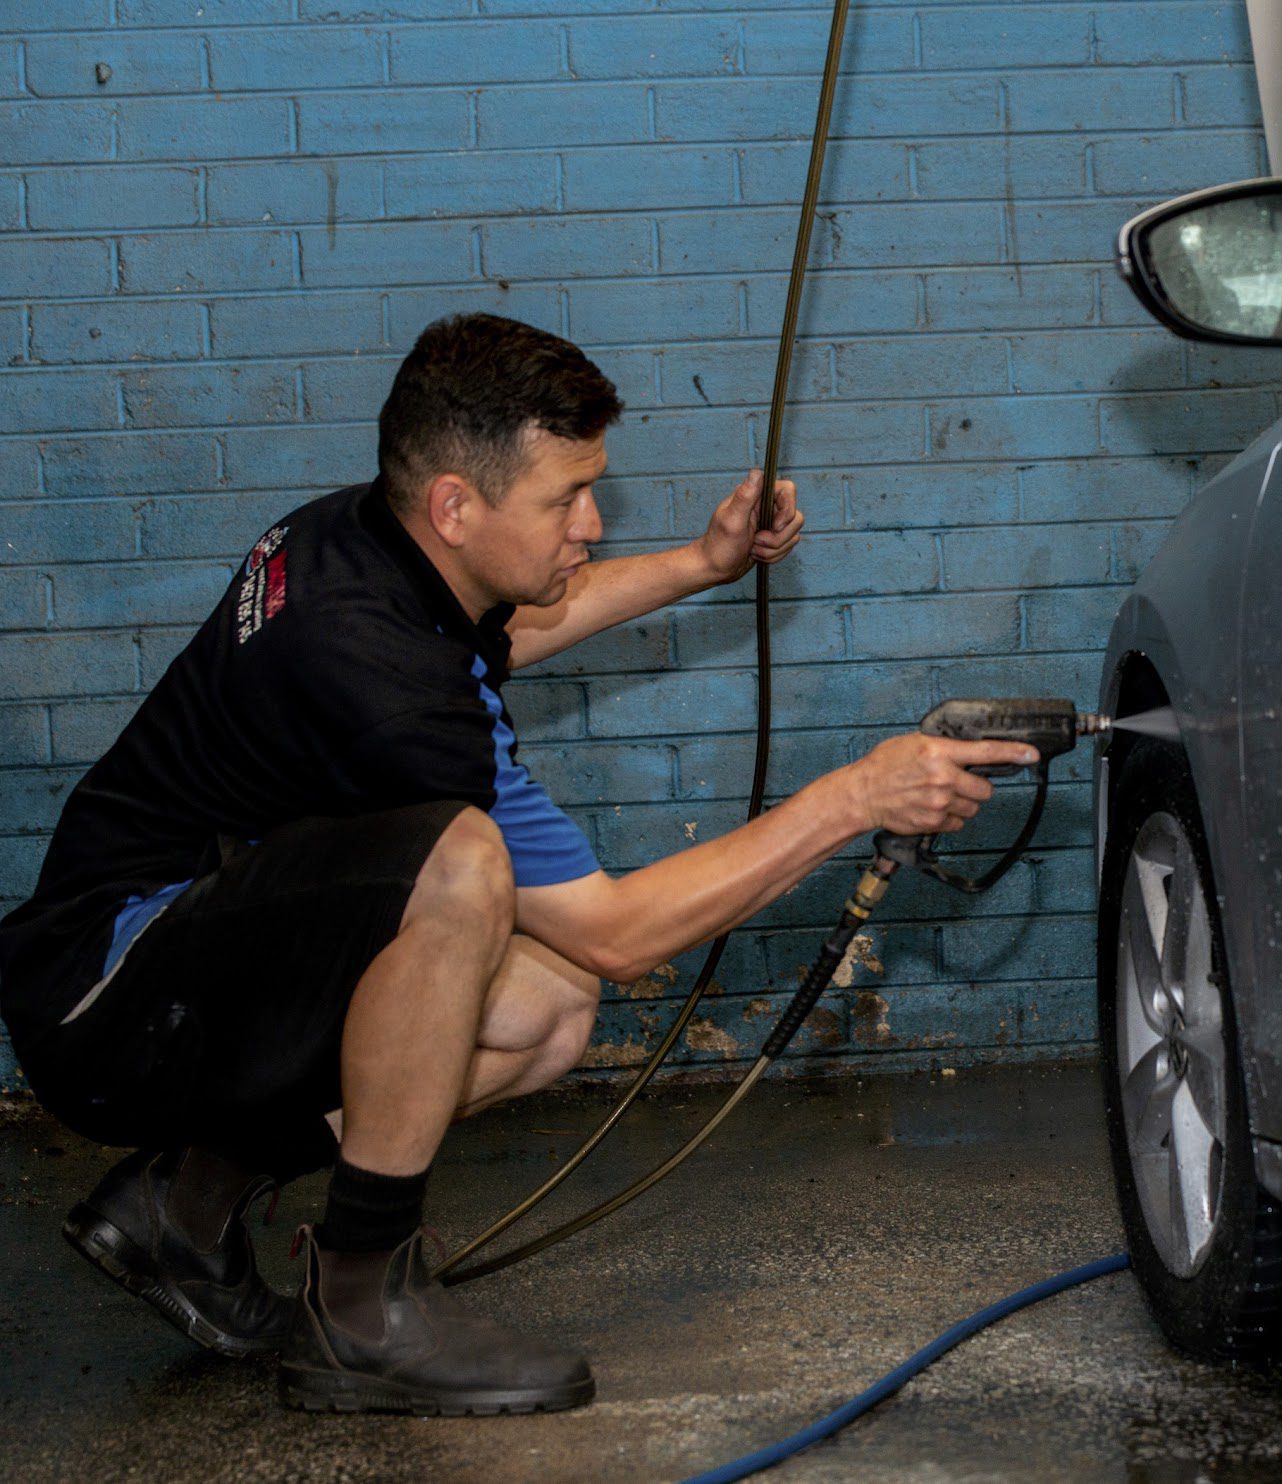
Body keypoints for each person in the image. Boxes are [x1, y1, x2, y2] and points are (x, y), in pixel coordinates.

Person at [0, 314, 1034, 1416]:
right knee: (463, 866)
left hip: (186, 959)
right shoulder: (385, 691)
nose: (589, 523)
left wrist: (703, 563)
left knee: (540, 1006)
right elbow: (619, 932)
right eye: (564, 499)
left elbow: (509, 630)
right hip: (105, 1005)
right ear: (456, 502)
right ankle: (361, 1303)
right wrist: (853, 798)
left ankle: (184, 1205)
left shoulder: (363, 540)